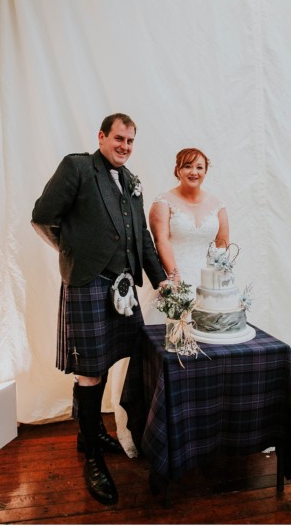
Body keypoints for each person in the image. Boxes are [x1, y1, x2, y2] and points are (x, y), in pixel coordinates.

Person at [31, 113, 167, 505]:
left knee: (107, 361)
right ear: (102, 136)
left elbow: (141, 238)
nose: (124, 146)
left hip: (123, 290)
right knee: (89, 371)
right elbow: (42, 217)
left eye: (130, 141)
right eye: (118, 138)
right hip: (88, 285)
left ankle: (86, 434)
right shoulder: (77, 166)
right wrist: (73, 252)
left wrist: (162, 283)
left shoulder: (131, 181)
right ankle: (91, 454)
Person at [149, 147, 229, 291]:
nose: (194, 172)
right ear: (178, 170)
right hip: (175, 277)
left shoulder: (218, 205)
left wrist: (219, 279)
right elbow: (161, 240)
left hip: (209, 282)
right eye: (187, 166)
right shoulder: (163, 202)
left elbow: (222, 244)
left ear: (205, 172)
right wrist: (175, 278)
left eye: (199, 167)